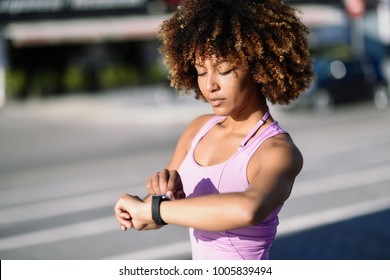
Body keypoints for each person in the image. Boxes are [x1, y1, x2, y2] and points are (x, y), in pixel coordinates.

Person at [114, 0, 314, 260]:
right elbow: (150, 217)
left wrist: (155, 209)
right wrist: (141, 206)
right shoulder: (198, 129)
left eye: (224, 70)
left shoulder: (277, 151)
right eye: (200, 71)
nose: (210, 86)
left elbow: (248, 208)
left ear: (259, 68)